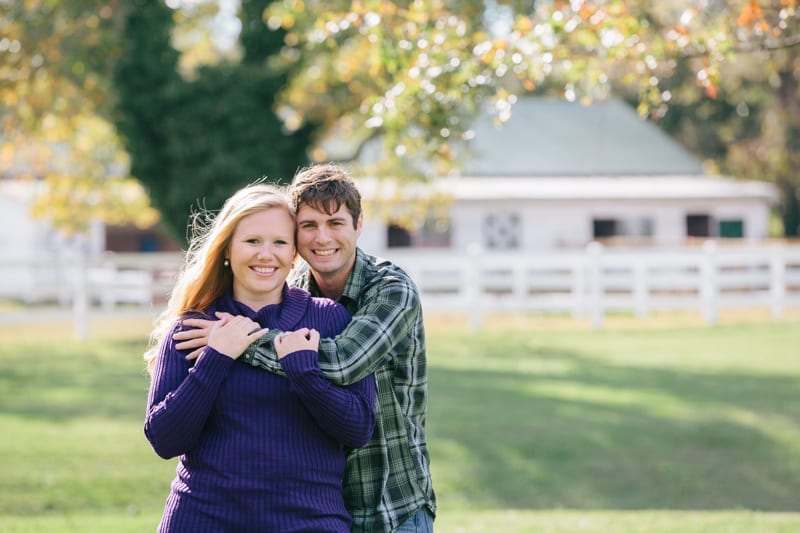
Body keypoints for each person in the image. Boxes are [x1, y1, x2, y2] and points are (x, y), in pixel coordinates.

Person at [175, 163, 437, 532]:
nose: (322, 237)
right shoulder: (290, 292)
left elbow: (345, 362)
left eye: (336, 224)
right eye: (309, 226)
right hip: (317, 508)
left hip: (389, 505)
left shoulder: (391, 288)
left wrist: (236, 341)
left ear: (358, 225)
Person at [144, 183, 376, 532]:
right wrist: (216, 357)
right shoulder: (193, 328)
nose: (266, 254)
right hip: (203, 519)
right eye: (252, 241)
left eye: (280, 242)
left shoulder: (329, 319)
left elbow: (358, 429)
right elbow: (164, 440)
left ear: (294, 253)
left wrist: (305, 375)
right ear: (226, 250)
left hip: (308, 521)